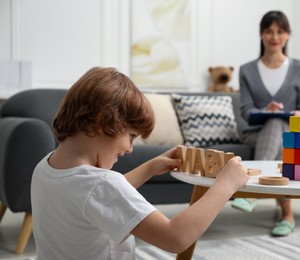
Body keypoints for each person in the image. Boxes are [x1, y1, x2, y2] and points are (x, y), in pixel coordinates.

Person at [31, 67, 249, 259]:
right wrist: (226, 185)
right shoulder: (101, 185)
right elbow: (174, 237)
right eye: (132, 136)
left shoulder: (45, 168)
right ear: (103, 121)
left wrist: (150, 167)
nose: (130, 148)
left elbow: (101, 198)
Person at [231, 10, 300, 237]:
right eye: (269, 31)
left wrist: (296, 113)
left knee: (280, 129)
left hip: (288, 131)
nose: (274, 36)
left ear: (287, 35)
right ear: (261, 34)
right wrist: (265, 111)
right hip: (254, 132)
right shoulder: (247, 70)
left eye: (280, 31)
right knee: (277, 130)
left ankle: (252, 192)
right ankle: (287, 216)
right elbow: (246, 112)